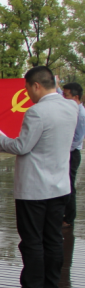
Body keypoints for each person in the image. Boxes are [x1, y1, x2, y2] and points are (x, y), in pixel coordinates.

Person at [0, 66, 78, 288]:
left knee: (32, 240)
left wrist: (1, 140)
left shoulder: (36, 112)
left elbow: (22, 146)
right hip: (60, 186)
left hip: (34, 189)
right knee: (53, 239)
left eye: (27, 88)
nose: (27, 93)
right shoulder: (71, 107)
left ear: (36, 86)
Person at [62, 82, 84, 227]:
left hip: (71, 154)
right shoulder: (72, 110)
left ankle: (69, 219)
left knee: (69, 185)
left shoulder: (81, 115)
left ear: (75, 97)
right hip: (66, 152)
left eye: (66, 95)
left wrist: (63, 150)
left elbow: (77, 139)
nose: (63, 98)